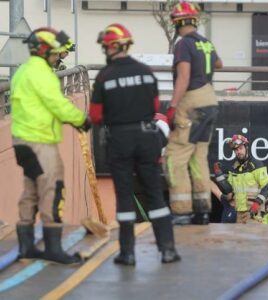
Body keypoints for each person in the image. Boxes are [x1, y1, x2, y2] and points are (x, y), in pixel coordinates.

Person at [90, 23, 180, 265]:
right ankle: (168, 250)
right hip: (146, 137)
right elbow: (154, 107)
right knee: (155, 196)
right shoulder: (145, 72)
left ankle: (127, 253)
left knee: (125, 197)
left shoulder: (104, 77)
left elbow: (96, 116)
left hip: (119, 140)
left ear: (111, 47)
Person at [11, 27, 90, 264]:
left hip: (22, 142)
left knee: (31, 190)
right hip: (40, 142)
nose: (58, 57)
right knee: (52, 190)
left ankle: (26, 247)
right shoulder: (41, 73)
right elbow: (56, 103)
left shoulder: (23, 71)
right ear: (45, 51)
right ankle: (53, 249)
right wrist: (81, 120)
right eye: (55, 53)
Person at [165, 1, 223, 225]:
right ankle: (202, 210)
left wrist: (172, 106)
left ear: (177, 22)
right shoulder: (205, 42)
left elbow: (184, 77)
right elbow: (219, 64)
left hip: (191, 103)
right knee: (199, 157)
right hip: (209, 100)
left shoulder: (183, 44)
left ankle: (181, 212)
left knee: (175, 158)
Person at [212, 135, 268, 224]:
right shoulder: (234, 168)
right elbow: (229, 190)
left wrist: (257, 204)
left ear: (246, 147)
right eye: (236, 150)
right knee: (239, 238)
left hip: (254, 213)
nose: (239, 152)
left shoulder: (256, 165)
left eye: (241, 148)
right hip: (239, 213)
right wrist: (219, 175)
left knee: (251, 237)